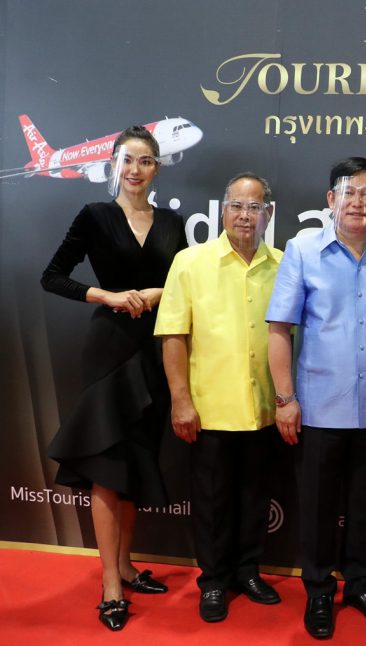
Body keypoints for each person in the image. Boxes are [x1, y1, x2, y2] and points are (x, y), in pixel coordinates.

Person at [40, 125, 186, 631]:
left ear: (157, 168)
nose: (135, 169)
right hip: (108, 350)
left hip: (156, 349)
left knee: (136, 463)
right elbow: (52, 276)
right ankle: (109, 583)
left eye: (145, 161)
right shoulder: (95, 215)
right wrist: (107, 296)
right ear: (113, 165)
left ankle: (125, 566)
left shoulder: (173, 222)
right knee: (106, 466)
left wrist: (157, 293)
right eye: (127, 160)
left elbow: (183, 283)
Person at [266, 157, 366, 639]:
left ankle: (360, 585)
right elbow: (279, 329)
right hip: (318, 406)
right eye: (348, 192)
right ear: (331, 199)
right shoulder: (303, 250)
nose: (357, 201)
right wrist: (285, 399)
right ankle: (318, 591)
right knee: (317, 507)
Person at [155, 173, 284, 622]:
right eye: (237, 206)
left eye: (255, 207)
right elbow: (173, 335)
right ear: (223, 210)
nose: (246, 216)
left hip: (264, 410)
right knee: (211, 502)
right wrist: (180, 401)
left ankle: (248, 572)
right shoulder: (190, 262)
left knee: (255, 497)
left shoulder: (284, 265)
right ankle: (212, 581)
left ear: (269, 213)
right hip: (208, 410)